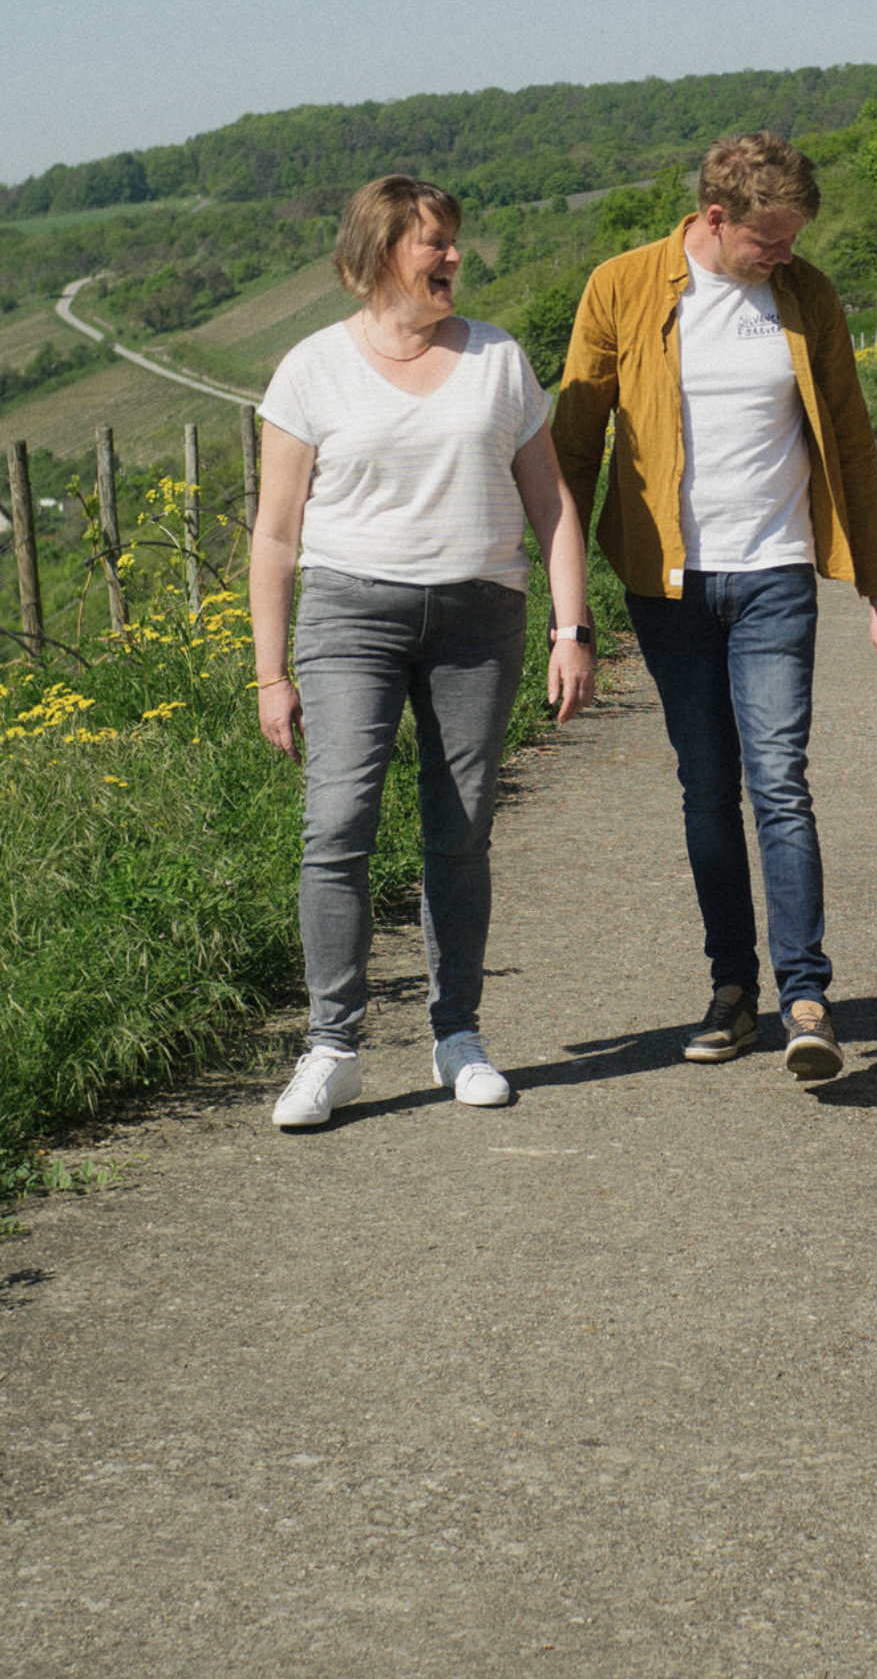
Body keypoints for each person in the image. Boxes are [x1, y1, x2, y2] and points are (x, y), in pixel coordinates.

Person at [552, 131, 877, 1081]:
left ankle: (805, 994)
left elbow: (851, 441)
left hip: (775, 574)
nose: (785, 254)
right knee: (708, 791)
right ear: (717, 218)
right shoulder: (623, 287)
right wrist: (564, 612)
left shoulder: (807, 296)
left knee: (781, 783)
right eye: (771, 239)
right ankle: (732, 990)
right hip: (666, 585)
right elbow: (570, 447)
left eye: (795, 238)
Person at [251, 174, 597, 1131]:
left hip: (478, 622)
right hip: (349, 616)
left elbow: (553, 504)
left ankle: (459, 1037)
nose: (453, 259)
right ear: (377, 253)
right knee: (338, 824)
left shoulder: (497, 359)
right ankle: (332, 1048)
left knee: (461, 830)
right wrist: (270, 670)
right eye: (433, 244)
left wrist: (573, 629)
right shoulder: (311, 370)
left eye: (453, 242)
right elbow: (276, 534)